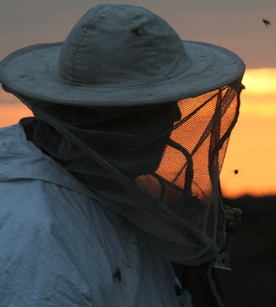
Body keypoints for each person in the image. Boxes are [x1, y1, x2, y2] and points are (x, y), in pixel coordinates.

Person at [0, 4, 245, 307]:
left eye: (173, 101)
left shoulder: (106, 184)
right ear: (101, 117)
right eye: (154, 107)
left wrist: (180, 231)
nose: (174, 116)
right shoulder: (38, 233)